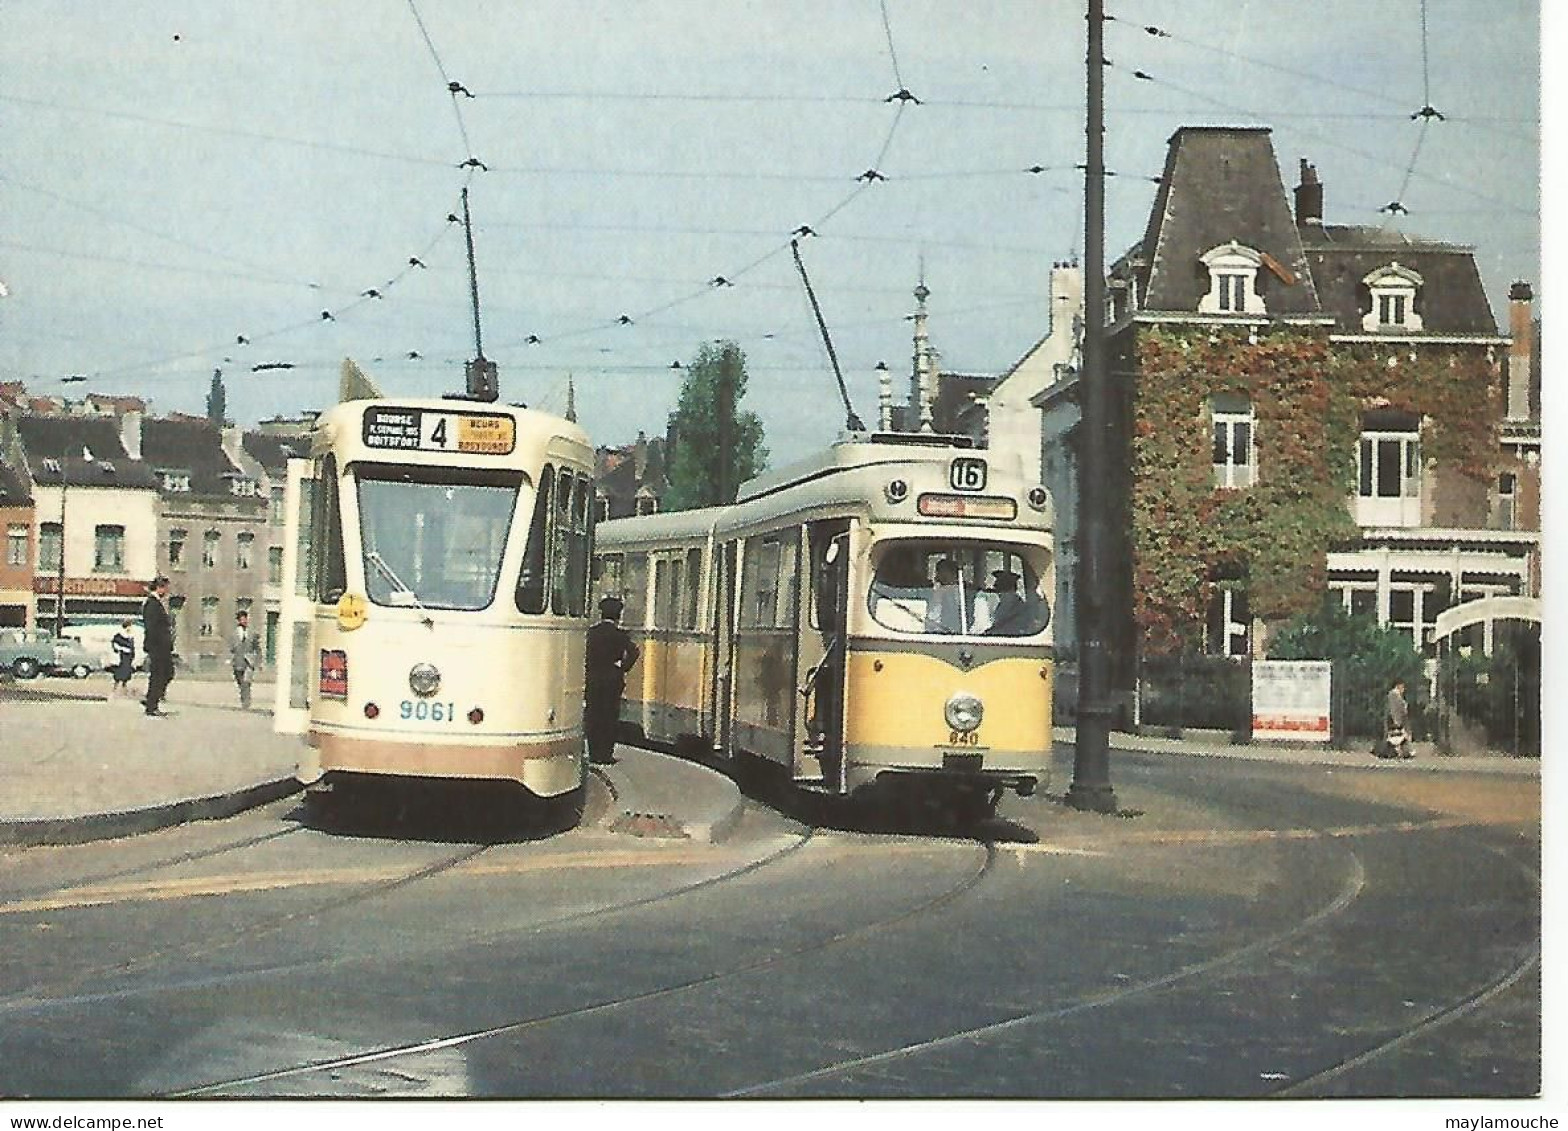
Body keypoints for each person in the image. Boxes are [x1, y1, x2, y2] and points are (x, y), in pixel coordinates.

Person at [584, 596, 639, 765]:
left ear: (601, 613)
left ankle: (593, 753)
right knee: (610, 717)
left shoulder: (591, 633)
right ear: (618, 615)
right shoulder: (620, 635)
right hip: (612, 680)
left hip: (593, 679)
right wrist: (622, 667)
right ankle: (606, 754)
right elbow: (634, 652)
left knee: (594, 715)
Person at [141, 576, 175, 717]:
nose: (167, 591)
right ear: (160, 587)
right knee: (160, 675)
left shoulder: (157, 603)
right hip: (158, 647)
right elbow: (152, 627)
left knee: (166, 673)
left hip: (162, 647)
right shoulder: (152, 604)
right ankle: (151, 703)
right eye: (166, 587)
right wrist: (155, 646)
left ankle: (151, 699)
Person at [924, 559, 967, 634]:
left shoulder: (964, 594)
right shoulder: (938, 592)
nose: (936, 576)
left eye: (940, 572)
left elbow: (933, 618)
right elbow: (932, 620)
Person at [229, 609, 261, 710]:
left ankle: (246, 703)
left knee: (246, 682)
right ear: (238, 621)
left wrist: (258, 661)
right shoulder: (234, 634)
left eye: (245, 619)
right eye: (242, 619)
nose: (244, 621)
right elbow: (230, 648)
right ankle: (244, 698)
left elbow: (257, 648)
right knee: (240, 683)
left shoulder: (252, 633)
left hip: (249, 662)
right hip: (238, 662)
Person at [1383, 677, 1412, 760]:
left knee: (1397, 737)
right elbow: (1394, 708)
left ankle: (1400, 753)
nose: (1403, 688)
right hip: (1395, 719)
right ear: (1398, 685)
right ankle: (1397, 753)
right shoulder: (1394, 694)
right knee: (1396, 737)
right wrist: (1396, 720)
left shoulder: (1396, 694)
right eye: (1402, 686)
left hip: (1397, 719)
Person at [109, 618, 136, 700]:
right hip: (122, 656)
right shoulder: (120, 635)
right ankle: (114, 690)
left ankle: (124, 690)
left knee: (127, 673)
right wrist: (122, 649)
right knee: (120, 673)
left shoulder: (130, 636)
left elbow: (132, 647)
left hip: (128, 657)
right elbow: (115, 644)